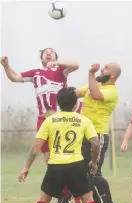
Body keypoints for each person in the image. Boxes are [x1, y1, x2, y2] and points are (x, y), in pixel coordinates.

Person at [0, 48, 79, 177]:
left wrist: (56, 63)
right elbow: (15, 77)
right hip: (43, 119)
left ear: (55, 57)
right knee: (48, 158)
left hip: (60, 119)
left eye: (51, 52)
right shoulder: (36, 73)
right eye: (45, 53)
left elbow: (76, 65)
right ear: (41, 58)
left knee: (63, 155)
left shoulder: (61, 71)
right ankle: (63, 194)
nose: (48, 53)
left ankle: (72, 193)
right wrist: (6, 65)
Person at [33, 87, 100, 203]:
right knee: (88, 201)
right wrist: (94, 161)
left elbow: (36, 146)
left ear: (58, 103)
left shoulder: (50, 120)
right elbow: (96, 143)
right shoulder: (83, 120)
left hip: (55, 166)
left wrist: (26, 167)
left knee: (43, 201)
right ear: (76, 104)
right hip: (76, 166)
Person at [74, 63, 121, 203]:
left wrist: (91, 73)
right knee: (82, 174)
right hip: (82, 135)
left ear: (113, 75)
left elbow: (95, 95)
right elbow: (76, 93)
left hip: (97, 136)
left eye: (106, 68)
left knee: (94, 172)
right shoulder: (95, 83)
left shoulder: (111, 91)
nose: (102, 70)